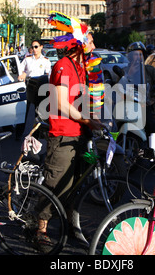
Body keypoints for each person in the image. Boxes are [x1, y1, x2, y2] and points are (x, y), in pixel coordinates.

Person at [36, 14, 103, 251]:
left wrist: (95, 118)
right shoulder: (64, 66)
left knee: (75, 186)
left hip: (79, 134)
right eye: (91, 41)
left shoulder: (81, 67)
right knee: (55, 185)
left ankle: (67, 226)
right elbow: (63, 104)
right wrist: (87, 119)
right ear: (80, 43)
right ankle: (39, 230)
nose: (94, 46)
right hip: (64, 135)